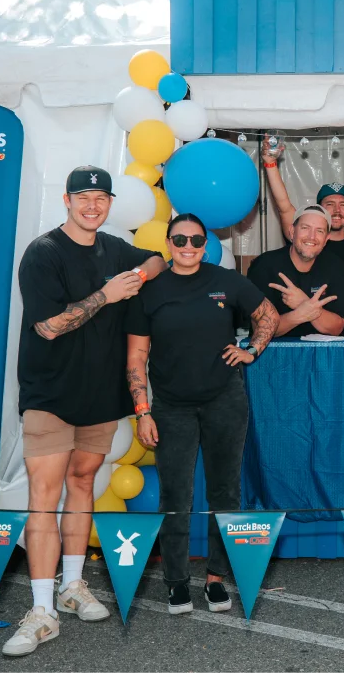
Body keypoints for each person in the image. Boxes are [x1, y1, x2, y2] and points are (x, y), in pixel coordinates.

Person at [4, 166, 167, 658]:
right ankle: (41, 609)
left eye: (101, 197)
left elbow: (157, 258)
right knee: (44, 497)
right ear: (66, 200)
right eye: (83, 197)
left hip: (100, 397)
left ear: (110, 203)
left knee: (82, 485)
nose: (92, 205)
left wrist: (137, 275)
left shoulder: (114, 248)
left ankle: (73, 586)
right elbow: (49, 328)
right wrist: (107, 295)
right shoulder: (43, 253)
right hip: (51, 396)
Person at [125, 214, 279, 615]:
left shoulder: (226, 281)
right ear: (168, 241)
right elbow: (137, 356)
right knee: (175, 495)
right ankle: (176, 582)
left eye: (196, 240)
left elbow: (268, 315)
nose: (189, 247)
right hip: (171, 407)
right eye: (180, 239)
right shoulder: (152, 291)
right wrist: (142, 411)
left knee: (225, 492)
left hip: (224, 400)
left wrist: (252, 349)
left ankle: (215, 579)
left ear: (206, 244)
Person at [260, 139, 344, 275]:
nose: (337, 210)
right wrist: (270, 164)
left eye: (343, 205)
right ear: (319, 208)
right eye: (330, 204)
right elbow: (284, 206)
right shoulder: (306, 239)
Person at [247, 204, 344, 337]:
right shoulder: (265, 265)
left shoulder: (336, 266)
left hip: (319, 354)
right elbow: (259, 329)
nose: (311, 237)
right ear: (292, 231)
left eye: (319, 231)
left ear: (326, 239)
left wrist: (303, 302)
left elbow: (337, 327)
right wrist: (300, 314)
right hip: (273, 354)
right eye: (305, 228)